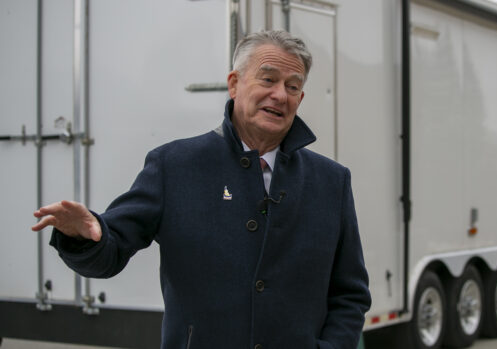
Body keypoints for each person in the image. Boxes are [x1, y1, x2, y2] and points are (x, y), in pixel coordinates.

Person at [32, 30, 371, 349]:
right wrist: (86, 236)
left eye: (293, 86)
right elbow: (110, 252)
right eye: (268, 79)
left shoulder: (331, 181)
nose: (280, 94)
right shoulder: (174, 166)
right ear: (234, 84)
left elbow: (350, 293)